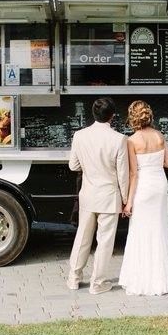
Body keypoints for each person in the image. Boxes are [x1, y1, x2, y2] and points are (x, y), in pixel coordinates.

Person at [67, 97, 129, 294]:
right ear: (112, 116)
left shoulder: (79, 135)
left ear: (93, 114)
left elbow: (73, 166)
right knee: (104, 242)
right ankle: (98, 283)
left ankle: (73, 278)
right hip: (109, 197)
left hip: (88, 195)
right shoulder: (119, 139)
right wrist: (126, 200)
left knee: (82, 238)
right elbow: (123, 174)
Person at [119, 100, 168, 296]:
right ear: (149, 116)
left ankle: (143, 279)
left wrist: (128, 203)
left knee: (141, 231)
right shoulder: (160, 136)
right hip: (160, 185)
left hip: (144, 187)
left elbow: (134, 174)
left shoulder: (131, 141)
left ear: (132, 118)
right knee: (160, 229)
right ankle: (162, 279)